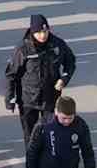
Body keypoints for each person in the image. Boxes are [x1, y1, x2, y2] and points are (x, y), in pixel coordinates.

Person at [5, 15, 77, 146]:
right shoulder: (22, 49)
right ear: (32, 32)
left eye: (45, 31)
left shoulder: (57, 45)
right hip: (28, 100)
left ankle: (48, 162)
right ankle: (32, 164)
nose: (43, 35)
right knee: (31, 137)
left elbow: (70, 62)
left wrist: (64, 79)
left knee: (50, 134)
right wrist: (10, 99)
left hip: (50, 99)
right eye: (39, 32)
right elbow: (11, 75)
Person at [25, 96, 95, 168]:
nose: (67, 121)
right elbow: (32, 153)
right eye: (64, 118)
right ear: (56, 112)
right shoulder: (44, 125)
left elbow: (88, 153)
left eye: (70, 118)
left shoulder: (80, 125)